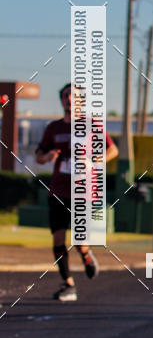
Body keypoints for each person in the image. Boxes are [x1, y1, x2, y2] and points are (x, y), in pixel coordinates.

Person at [35, 83, 118, 302]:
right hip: (58, 189)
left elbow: (112, 150)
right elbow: (38, 155)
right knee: (58, 240)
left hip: (83, 190)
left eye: (74, 96)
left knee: (80, 241)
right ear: (61, 100)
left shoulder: (92, 125)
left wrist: (98, 159)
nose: (69, 99)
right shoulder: (53, 128)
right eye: (65, 96)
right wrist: (47, 156)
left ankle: (86, 255)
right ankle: (68, 284)